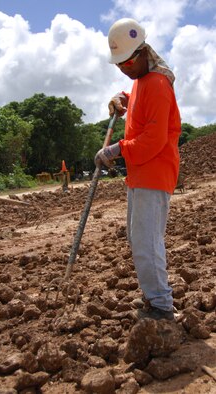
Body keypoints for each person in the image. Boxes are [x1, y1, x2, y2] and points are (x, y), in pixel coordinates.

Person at [95, 18, 181, 321]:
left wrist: (116, 150)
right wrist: (122, 98)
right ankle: (154, 297)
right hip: (140, 172)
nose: (124, 68)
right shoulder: (142, 81)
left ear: (144, 52)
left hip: (154, 171)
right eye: (119, 64)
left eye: (128, 61)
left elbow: (154, 138)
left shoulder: (157, 83)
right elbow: (139, 103)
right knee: (138, 238)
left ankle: (160, 305)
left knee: (147, 241)